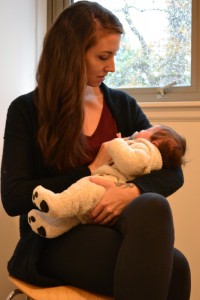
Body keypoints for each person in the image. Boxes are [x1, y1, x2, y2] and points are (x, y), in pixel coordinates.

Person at [1, 1, 191, 299]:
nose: (112, 66)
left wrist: (130, 192)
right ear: (71, 55)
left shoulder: (122, 105)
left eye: (114, 55)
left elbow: (173, 172)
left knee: (154, 208)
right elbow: (13, 197)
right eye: (103, 56)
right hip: (55, 236)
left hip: (113, 227)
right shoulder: (26, 110)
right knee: (174, 271)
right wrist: (89, 170)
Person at [28, 124, 186, 238]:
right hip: (93, 229)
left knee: (82, 193)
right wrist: (93, 166)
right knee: (75, 214)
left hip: (103, 188)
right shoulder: (146, 147)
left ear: (155, 143)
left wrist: (132, 190)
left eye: (147, 130)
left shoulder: (146, 149)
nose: (142, 129)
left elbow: (134, 164)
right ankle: (50, 225)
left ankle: (57, 204)